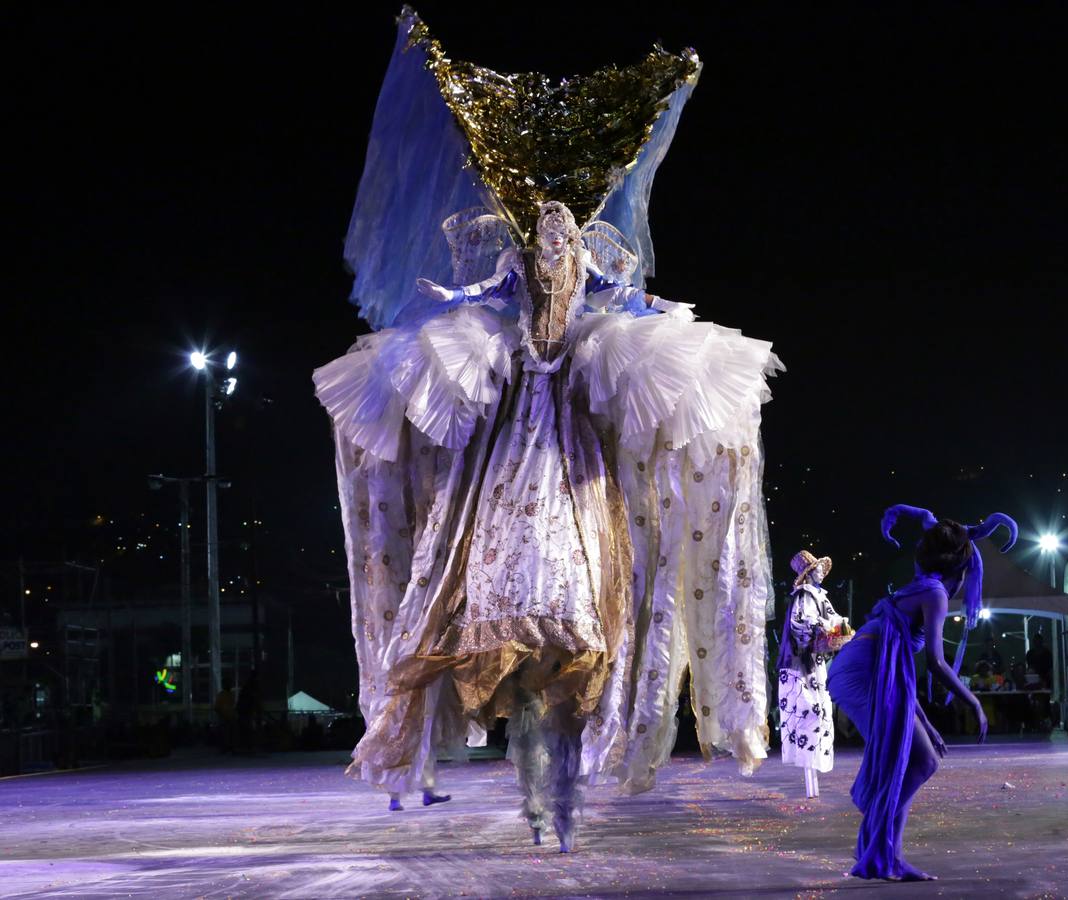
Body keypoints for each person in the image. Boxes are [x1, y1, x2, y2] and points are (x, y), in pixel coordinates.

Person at [314, 8, 780, 854]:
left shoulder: (587, 257)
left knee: (597, 539)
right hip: (526, 403)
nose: (557, 242)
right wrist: (448, 301)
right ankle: (534, 772)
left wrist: (661, 310)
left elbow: (622, 294)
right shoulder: (513, 261)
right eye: (549, 234)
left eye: (567, 232)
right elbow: (479, 295)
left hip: (560, 405)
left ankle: (556, 780)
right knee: (488, 531)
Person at [828, 504, 1017, 881]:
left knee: (914, 760)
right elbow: (935, 662)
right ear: (963, 569)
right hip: (860, 673)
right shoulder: (936, 594)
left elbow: (899, 669)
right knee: (920, 762)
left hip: (864, 670)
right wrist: (975, 701)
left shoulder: (921, 589)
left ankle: (884, 853)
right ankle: (879, 850)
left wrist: (925, 723)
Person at [776, 551, 850, 798]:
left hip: (813, 663)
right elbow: (802, 622)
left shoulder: (818, 595)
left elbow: (832, 618)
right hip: (800, 663)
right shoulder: (805, 595)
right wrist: (825, 627)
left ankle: (813, 772)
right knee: (808, 711)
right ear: (808, 574)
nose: (820, 572)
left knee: (817, 711)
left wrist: (840, 625)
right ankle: (809, 773)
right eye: (816, 569)